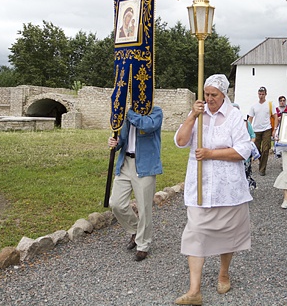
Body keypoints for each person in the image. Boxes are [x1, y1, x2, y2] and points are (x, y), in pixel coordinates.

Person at [174, 74, 252, 305]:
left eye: (213, 95)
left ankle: (223, 273)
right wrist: (192, 117)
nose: (209, 99)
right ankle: (194, 290)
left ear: (224, 94)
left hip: (228, 189)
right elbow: (180, 141)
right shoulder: (198, 114)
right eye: (206, 94)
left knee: (227, 234)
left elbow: (243, 150)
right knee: (195, 233)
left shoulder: (234, 116)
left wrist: (211, 154)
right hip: (199, 187)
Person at [107, 105, 163, 262]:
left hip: (145, 165)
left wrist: (130, 113)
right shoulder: (128, 114)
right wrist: (115, 142)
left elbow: (147, 125)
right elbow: (123, 140)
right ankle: (135, 230)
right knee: (116, 203)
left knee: (144, 207)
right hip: (125, 163)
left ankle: (143, 245)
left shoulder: (155, 112)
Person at [248, 86, 273, 175]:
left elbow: (275, 116)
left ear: (265, 94)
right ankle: (261, 162)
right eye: (260, 94)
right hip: (256, 129)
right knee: (256, 149)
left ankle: (262, 169)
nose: (261, 96)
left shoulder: (270, 104)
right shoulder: (254, 106)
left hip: (267, 128)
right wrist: (248, 129)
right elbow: (250, 118)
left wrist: (275, 129)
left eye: (263, 94)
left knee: (266, 149)